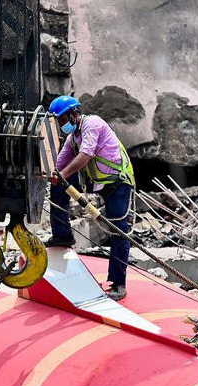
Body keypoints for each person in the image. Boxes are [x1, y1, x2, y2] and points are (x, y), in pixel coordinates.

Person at [46, 95, 135, 301]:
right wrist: (50, 175)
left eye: (62, 119)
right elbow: (59, 165)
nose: (61, 124)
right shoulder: (72, 138)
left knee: (118, 231)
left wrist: (61, 175)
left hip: (118, 183)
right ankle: (62, 235)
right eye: (59, 121)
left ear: (73, 113)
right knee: (58, 187)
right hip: (98, 182)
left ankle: (118, 283)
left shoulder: (92, 123)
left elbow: (86, 154)